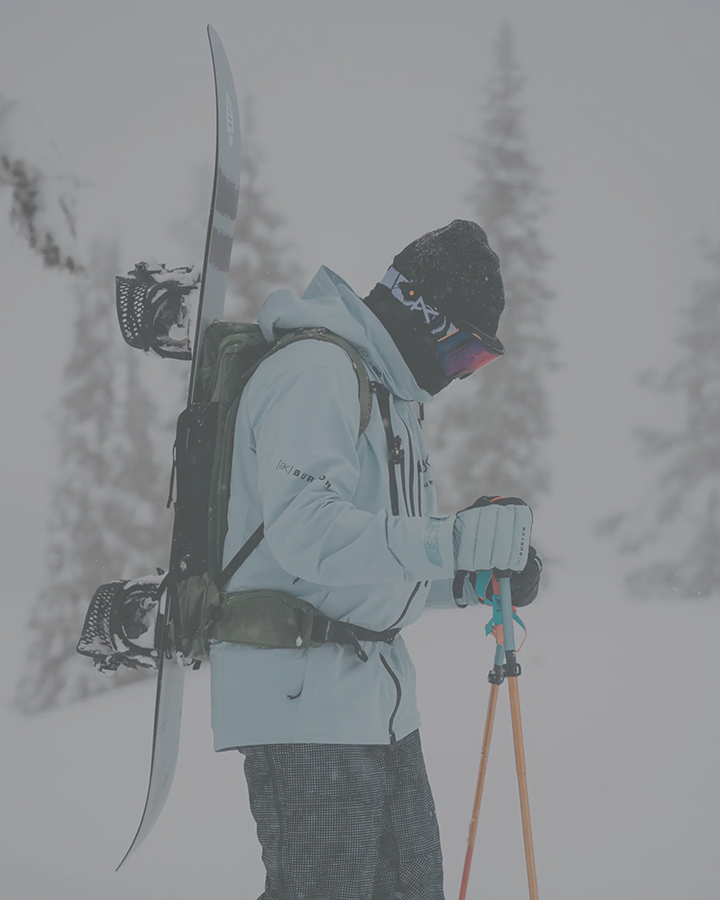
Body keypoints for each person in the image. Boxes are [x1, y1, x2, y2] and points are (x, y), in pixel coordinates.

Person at [210, 219, 542, 900]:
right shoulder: (316, 372)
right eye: (463, 353)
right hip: (304, 703)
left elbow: (375, 562)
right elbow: (307, 535)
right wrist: (452, 540)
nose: (458, 376)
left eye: (476, 363)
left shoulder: (388, 394)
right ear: (422, 312)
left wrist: (469, 578)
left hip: (378, 703)